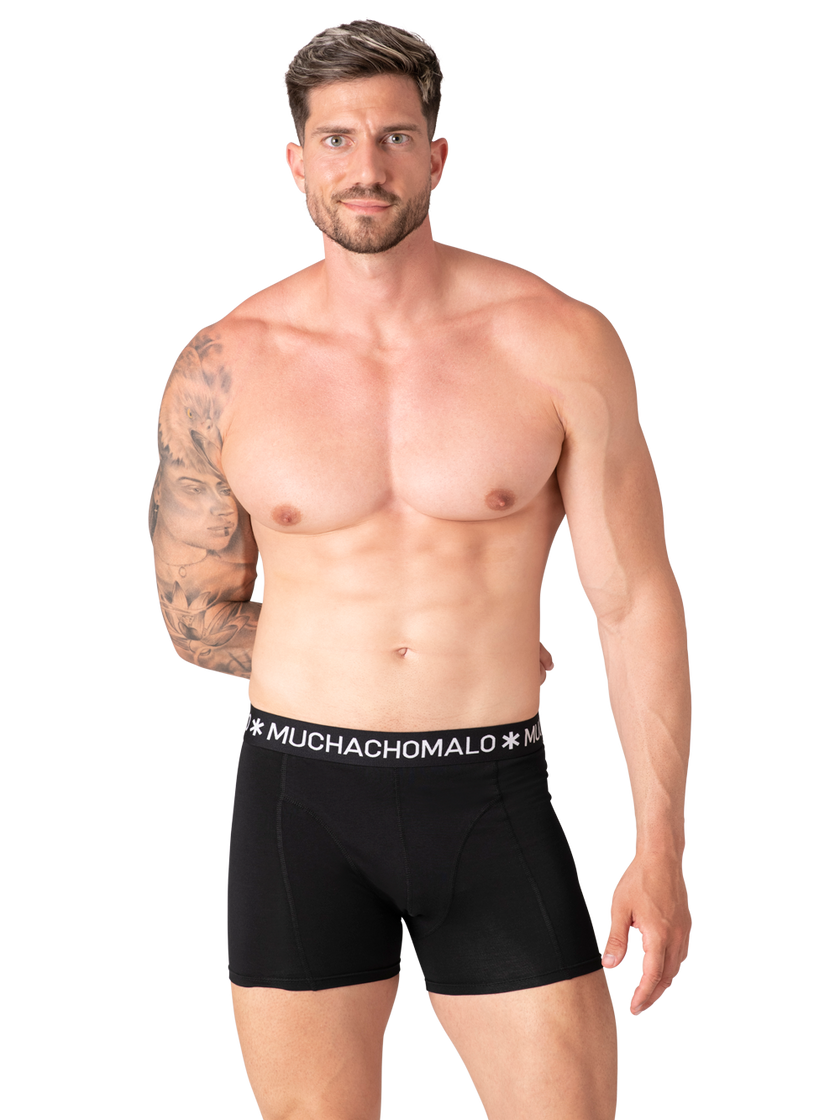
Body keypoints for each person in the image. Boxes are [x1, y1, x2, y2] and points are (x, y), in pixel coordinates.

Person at [147, 16, 693, 1119]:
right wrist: (346, 649)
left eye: (395, 136)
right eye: (337, 139)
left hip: (490, 790)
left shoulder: (558, 339)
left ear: (437, 155)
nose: (367, 166)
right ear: (296, 162)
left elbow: (635, 602)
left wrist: (661, 848)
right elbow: (194, 616)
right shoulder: (224, 362)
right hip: (300, 800)